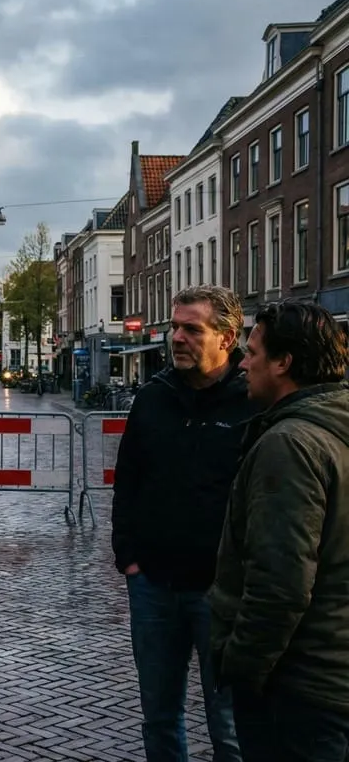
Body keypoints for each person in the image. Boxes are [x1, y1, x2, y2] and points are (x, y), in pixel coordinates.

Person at [111, 285, 258, 762]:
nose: (177, 337)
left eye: (192, 329)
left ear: (227, 337)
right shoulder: (154, 398)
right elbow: (128, 478)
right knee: (158, 716)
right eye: (175, 326)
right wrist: (128, 557)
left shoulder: (252, 404)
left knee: (229, 727)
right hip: (152, 582)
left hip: (221, 592)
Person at [210, 300, 349, 762]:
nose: (242, 364)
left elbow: (281, 582)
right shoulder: (337, 427)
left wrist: (240, 666)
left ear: (284, 362)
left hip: (298, 688)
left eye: (251, 353)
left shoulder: (289, 444)